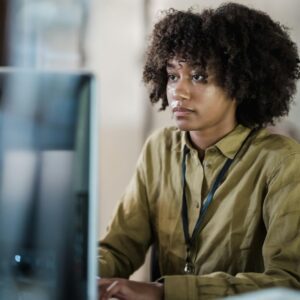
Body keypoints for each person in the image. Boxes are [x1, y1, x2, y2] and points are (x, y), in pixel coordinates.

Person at [98, 3, 300, 299]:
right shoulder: (159, 149)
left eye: (200, 77)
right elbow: (119, 247)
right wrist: (81, 275)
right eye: (173, 75)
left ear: (239, 84)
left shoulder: (282, 161)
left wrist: (163, 292)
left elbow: (288, 283)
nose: (178, 91)